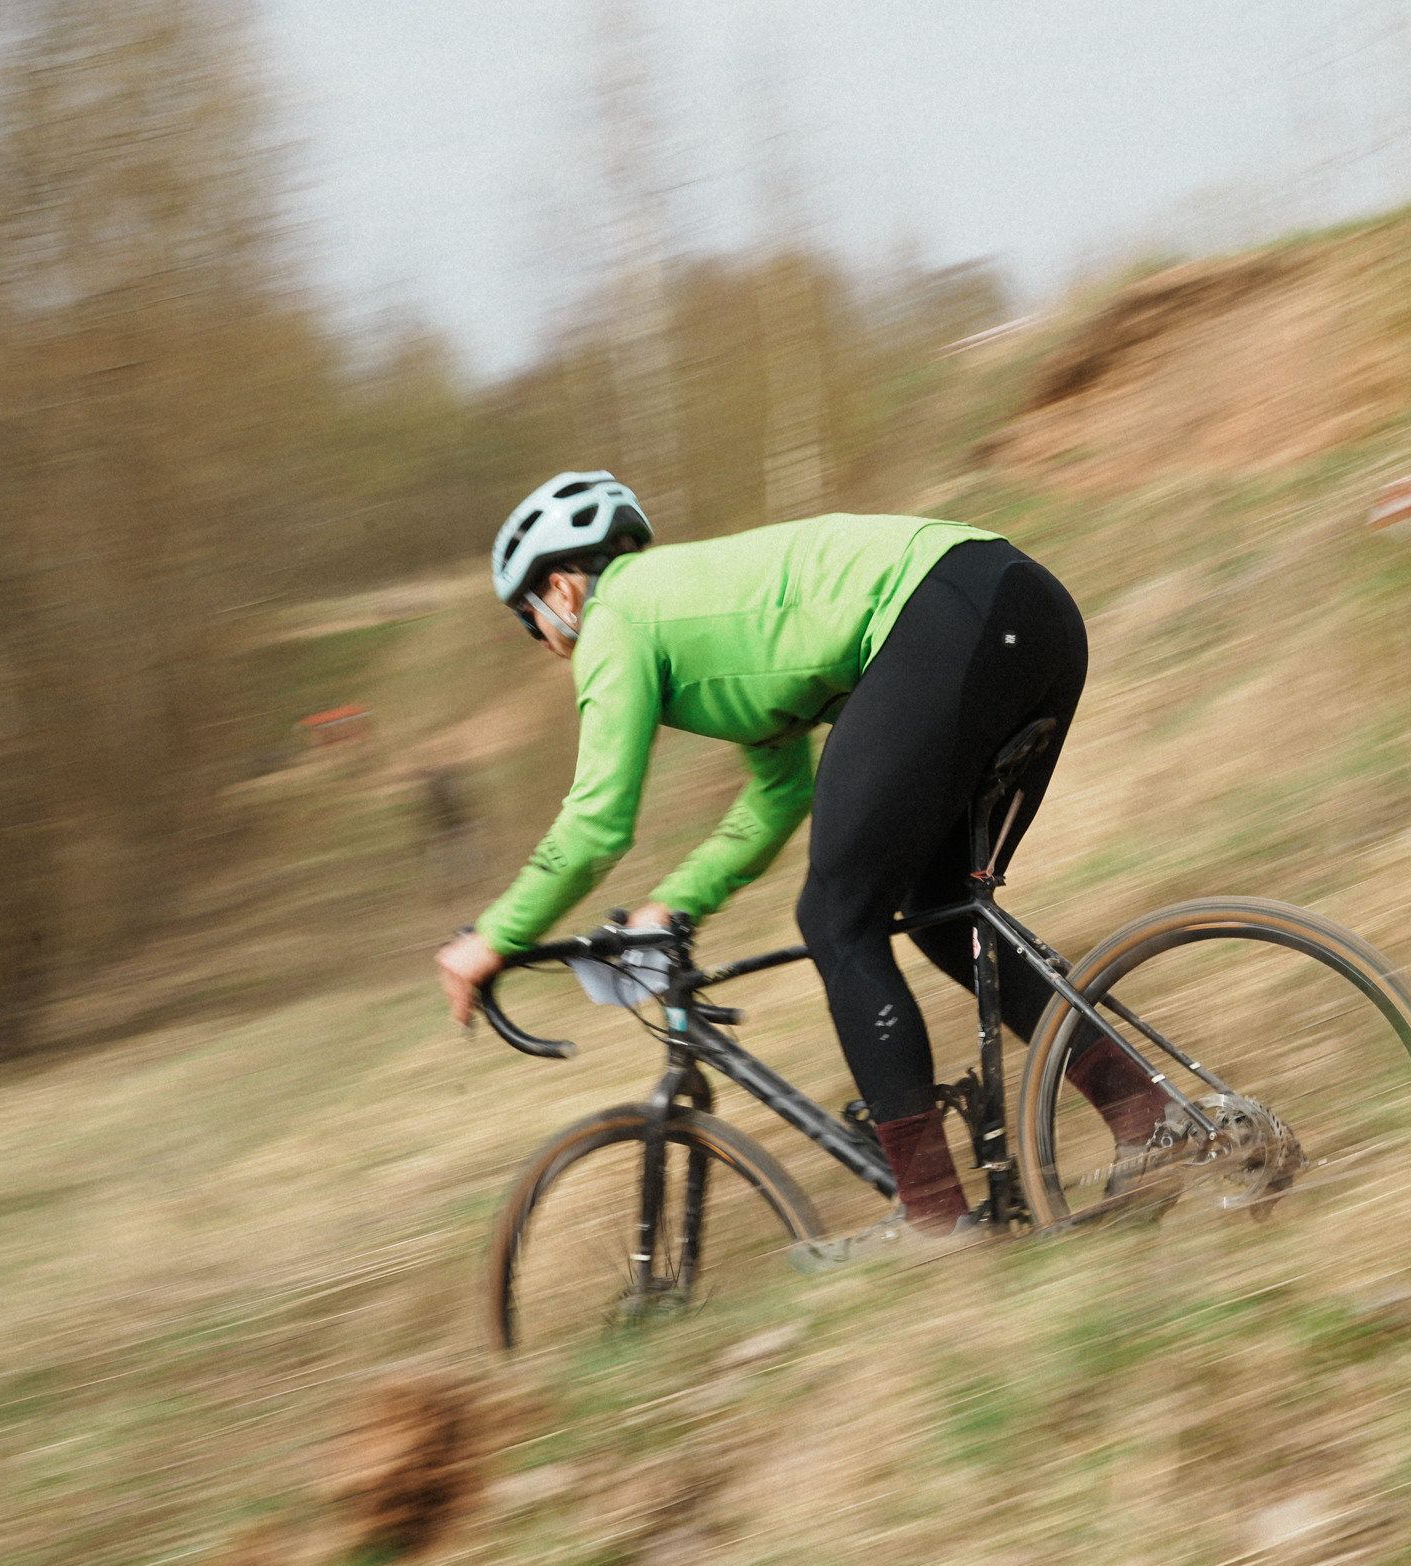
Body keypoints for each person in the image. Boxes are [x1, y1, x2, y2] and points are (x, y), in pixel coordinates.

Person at [434, 472, 1170, 1259]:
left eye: (527, 623)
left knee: (834, 917)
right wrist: (676, 903)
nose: (542, 644)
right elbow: (777, 796)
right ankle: (1152, 1123)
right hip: (1022, 607)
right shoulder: (695, 610)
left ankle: (933, 1218)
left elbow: (596, 822)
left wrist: (494, 937)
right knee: (937, 908)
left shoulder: (616, 620)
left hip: (949, 615)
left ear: (560, 589)